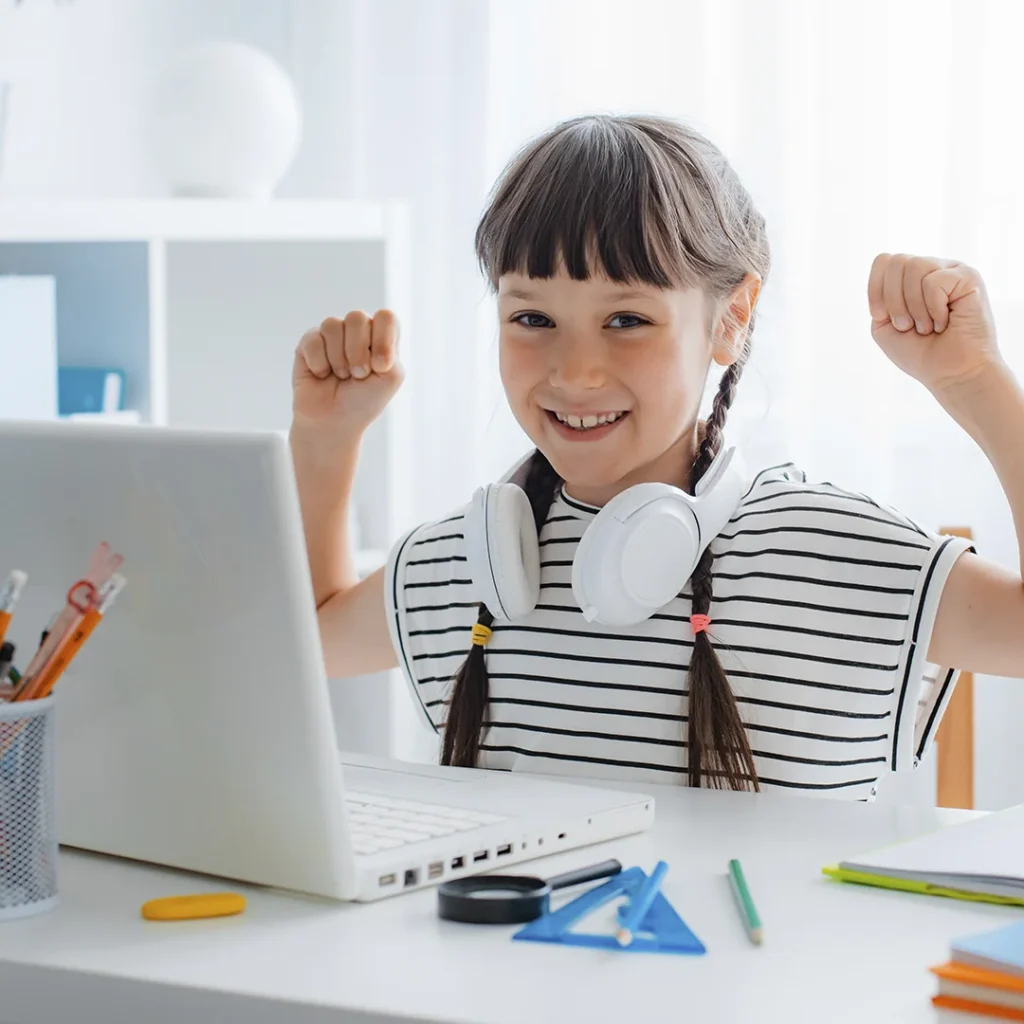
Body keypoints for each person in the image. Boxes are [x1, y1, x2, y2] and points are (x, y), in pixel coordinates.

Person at [289, 114, 1024, 800]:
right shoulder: (469, 563)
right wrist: (326, 435)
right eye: (532, 317)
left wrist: (976, 383)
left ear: (731, 319)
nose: (575, 373)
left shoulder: (833, 553)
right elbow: (305, 637)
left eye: (627, 319)